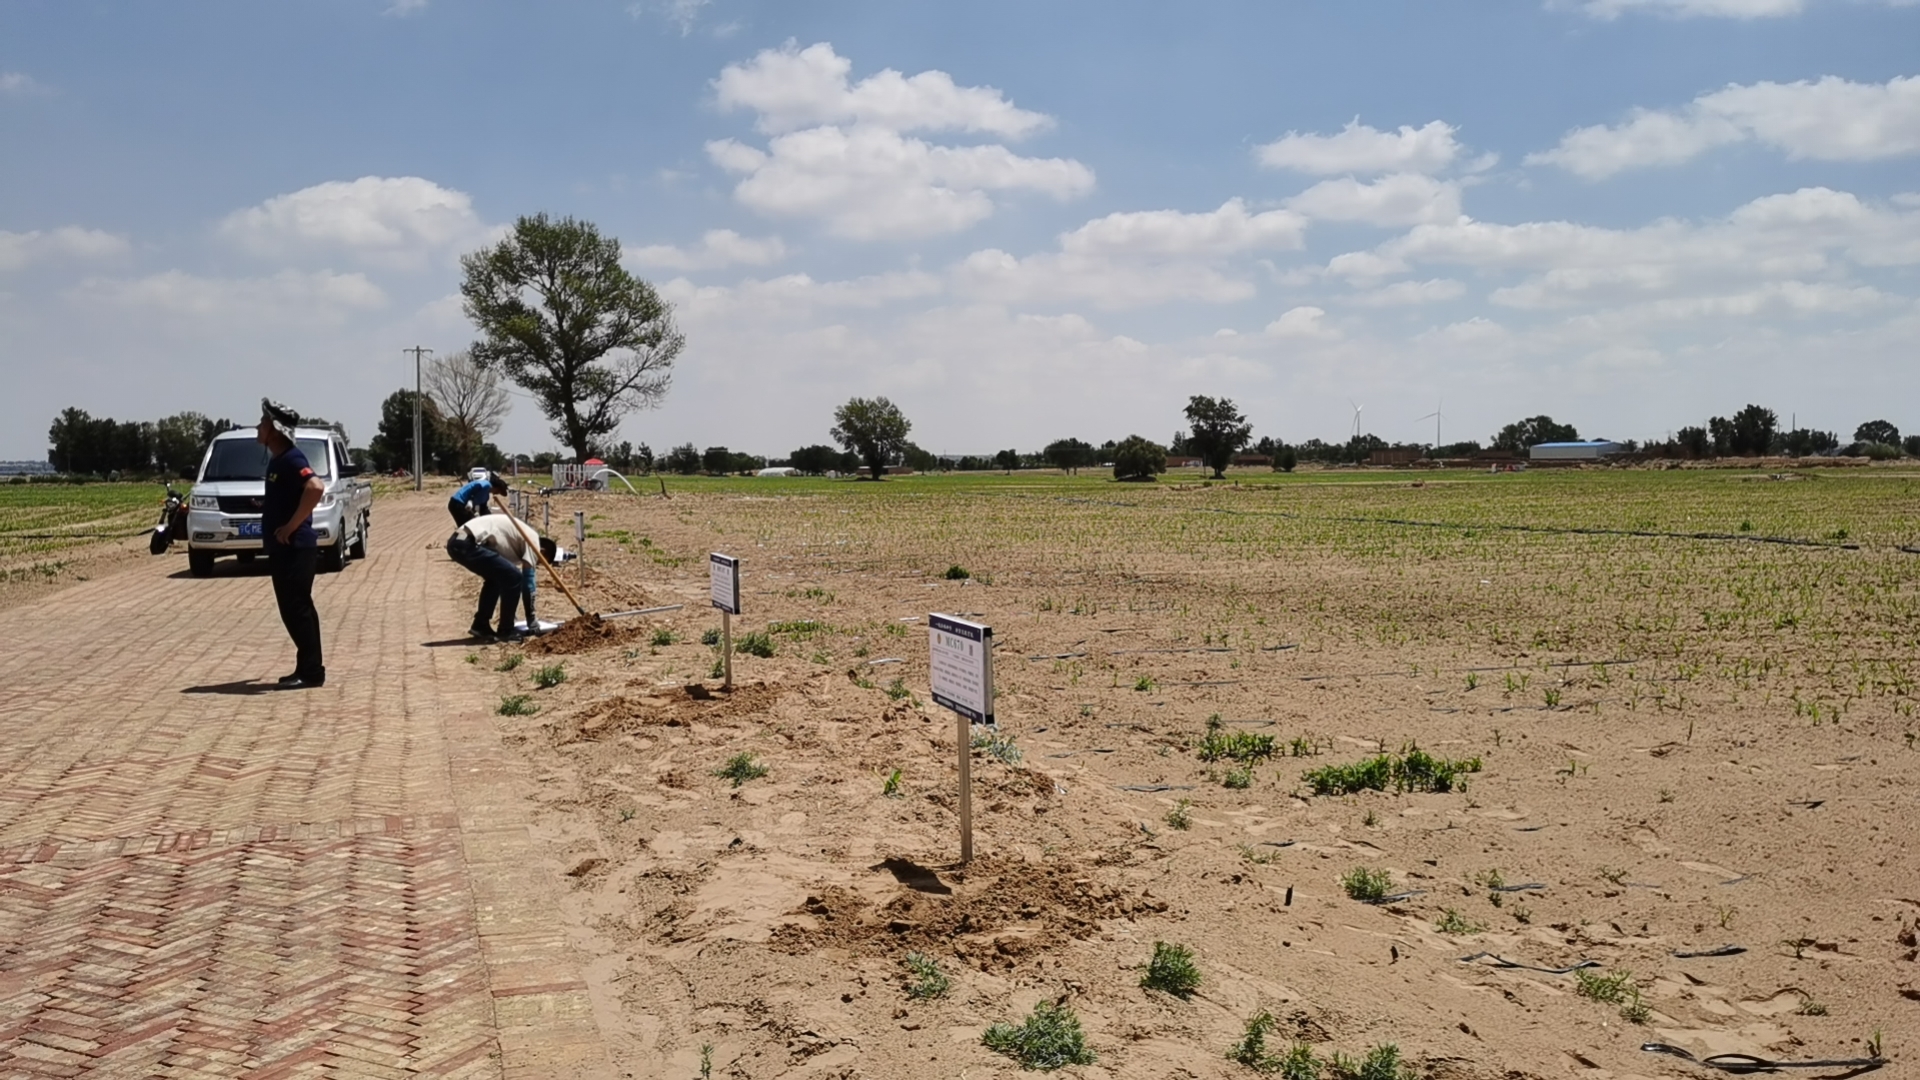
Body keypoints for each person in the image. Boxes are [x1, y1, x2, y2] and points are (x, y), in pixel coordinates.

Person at [259, 399, 326, 689]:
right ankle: (308, 666)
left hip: (295, 547)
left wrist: (291, 525)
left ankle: (311, 672)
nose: (258, 427)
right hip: (286, 549)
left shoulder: (291, 458)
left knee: (297, 608)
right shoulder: (278, 460)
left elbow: (315, 487)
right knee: (297, 609)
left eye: (263, 423)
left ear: (274, 430)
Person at [447, 511, 555, 641]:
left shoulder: (516, 540)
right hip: (466, 543)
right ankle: (506, 630)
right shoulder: (533, 542)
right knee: (515, 577)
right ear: (542, 551)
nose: (535, 563)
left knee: (497, 579)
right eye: (539, 561)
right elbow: (528, 582)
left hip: (458, 540)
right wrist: (531, 619)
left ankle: (480, 625)